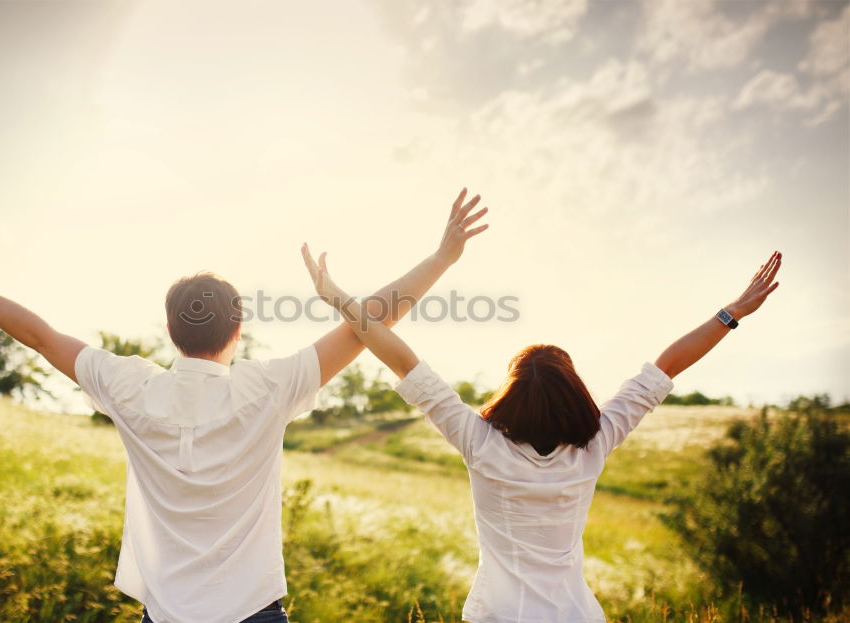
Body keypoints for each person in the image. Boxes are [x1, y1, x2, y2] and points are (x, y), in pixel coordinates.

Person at [0, 188, 490, 623]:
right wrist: (441, 258)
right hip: (255, 613)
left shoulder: (130, 386)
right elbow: (371, 323)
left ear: (170, 328)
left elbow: (43, 336)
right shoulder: (268, 386)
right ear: (239, 329)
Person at [302, 242, 782, 623]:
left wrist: (340, 300)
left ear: (510, 397)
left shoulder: (480, 443)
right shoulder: (596, 443)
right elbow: (666, 366)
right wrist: (731, 312)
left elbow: (401, 358)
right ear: (576, 394)